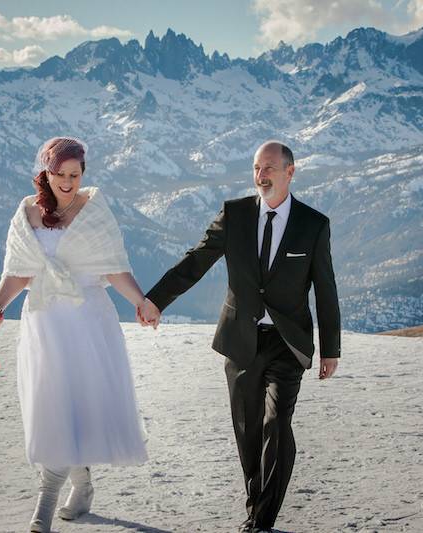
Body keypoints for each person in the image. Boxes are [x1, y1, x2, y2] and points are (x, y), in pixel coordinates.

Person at [138, 140, 341, 533]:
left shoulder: (313, 225)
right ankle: (255, 503)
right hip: (241, 341)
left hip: (288, 342)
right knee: (248, 431)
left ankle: (262, 520)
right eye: (256, 168)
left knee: (277, 422)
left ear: (290, 172)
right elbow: (195, 260)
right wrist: (155, 300)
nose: (261, 175)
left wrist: (330, 349)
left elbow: (326, 289)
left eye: (269, 168)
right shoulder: (235, 215)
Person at [0, 137, 149, 533]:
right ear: (46, 172)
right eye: (60, 174)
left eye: (75, 175)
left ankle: (45, 505)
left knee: (77, 406)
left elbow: (113, 269)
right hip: (44, 322)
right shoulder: (27, 211)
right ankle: (83, 484)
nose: (68, 182)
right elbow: (18, 271)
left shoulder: (94, 211)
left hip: (88, 322)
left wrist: (142, 302)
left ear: (83, 174)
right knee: (53, 407)